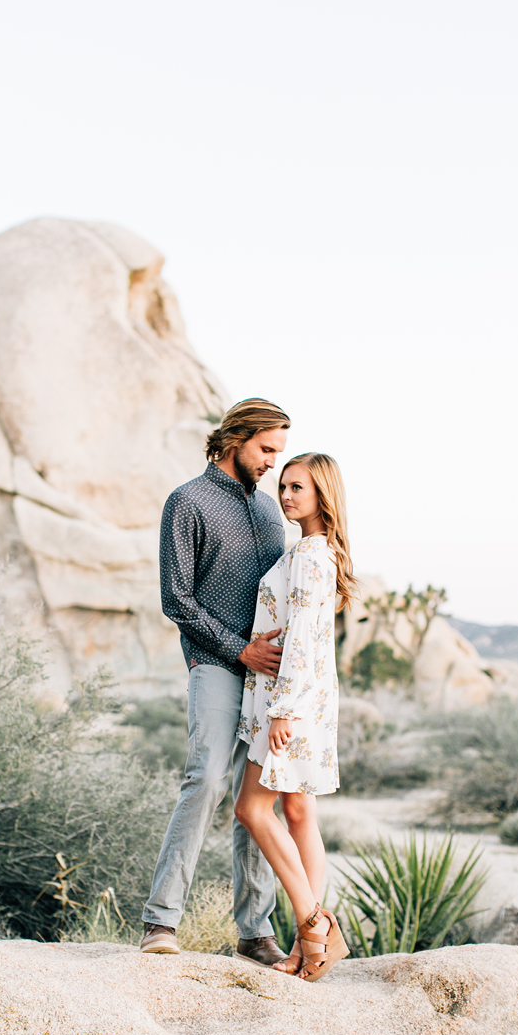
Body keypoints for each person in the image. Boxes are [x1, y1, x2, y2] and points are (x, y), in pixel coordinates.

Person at [140, 398, 293, 965]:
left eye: (279, 452)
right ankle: (160, 922)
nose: (274, 463)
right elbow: (174, 598)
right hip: (216, 665)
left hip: (270, 680)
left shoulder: (269, 512)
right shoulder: (187, 502)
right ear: (236, 438)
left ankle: (255, 934)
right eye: (267, 449)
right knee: (205, 779)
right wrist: (239, 650)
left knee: (258, 801)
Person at [235, 453, 356, 980]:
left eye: (297, 488)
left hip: (290, 703)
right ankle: (308, 946)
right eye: (282, 486)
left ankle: (313, 927)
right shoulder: (313, 551)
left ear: (321, 493)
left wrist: (282, 711)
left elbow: (304, 637)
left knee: (252, 811)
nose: (285, 496)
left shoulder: (309, 556)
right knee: (299, 814)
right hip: (308, 699)